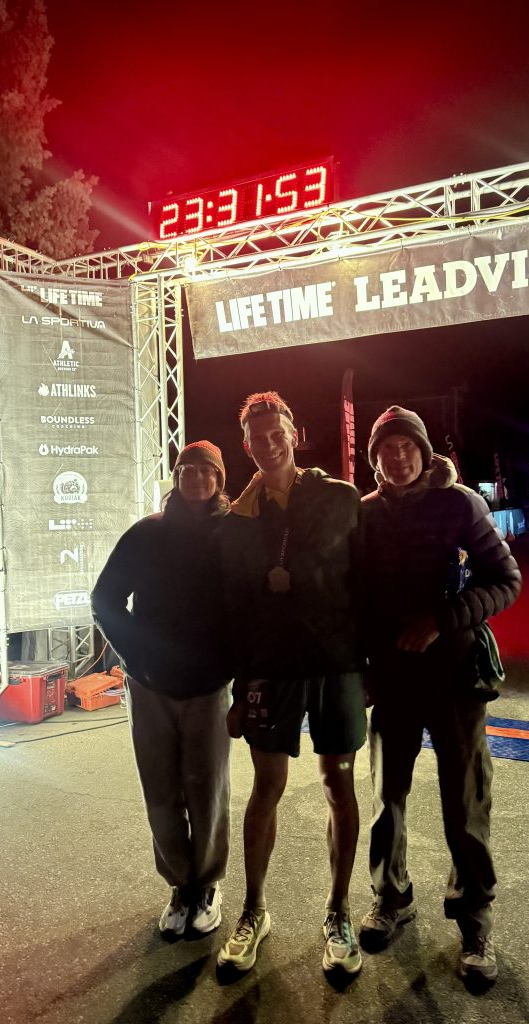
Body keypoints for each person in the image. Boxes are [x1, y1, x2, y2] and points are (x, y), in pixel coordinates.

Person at [356, 405, 522, 987]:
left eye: (407, 446)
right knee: (387, 797)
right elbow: (355, 599)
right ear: (374, 459)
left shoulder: (460, 504)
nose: (397, 456)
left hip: (455, 678)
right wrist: (361, 667)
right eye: (386, 449)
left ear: (423, 452)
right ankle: (391, 897)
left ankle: (475, 920)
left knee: (465, 801)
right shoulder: (364, 514)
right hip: (392, 678)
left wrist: (442, 619)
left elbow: (506, 580)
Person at [216, 391, 366, 976]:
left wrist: (369, 664)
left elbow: (364, 581)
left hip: (336, 662)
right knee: (267, 786)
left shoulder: (339, 497)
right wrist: (240, 688)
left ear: (294, 435)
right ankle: (253, 910)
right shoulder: (238, 520)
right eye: (258, 437)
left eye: (277, 433)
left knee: (339, 782)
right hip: (270, 668)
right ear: (245, 446)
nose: (269, 444)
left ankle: (338, 912)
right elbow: (235, 610)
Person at [91, 441, 232, 938]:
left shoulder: (232, 532)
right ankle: (179, 885)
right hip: (150, 686)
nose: (196, 477)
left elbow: (248, 604)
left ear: (219, 478)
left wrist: (232, 662)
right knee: (161, 789)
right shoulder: (147, 533)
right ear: (176, 476)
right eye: (186, 469)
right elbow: (105, 598)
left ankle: (207, 884)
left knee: (207, 789)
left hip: (209, 687)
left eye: (206, 470)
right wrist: (137, 657)